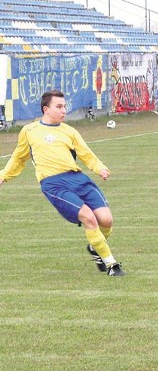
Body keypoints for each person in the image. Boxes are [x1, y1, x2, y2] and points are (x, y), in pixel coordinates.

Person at [0, 90, 124, 276]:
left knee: (106, 220)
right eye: (59, 106)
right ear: (46, 109)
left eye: (64, 106)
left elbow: (86, 153)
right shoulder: (30, 131)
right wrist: (3, 175)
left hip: (78, 179)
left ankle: (95, 247)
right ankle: (112, 265)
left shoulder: (69, 131)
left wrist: (100, 168)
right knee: (89, 218)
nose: (64, 110)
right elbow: (19, 158)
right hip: (53, 184)